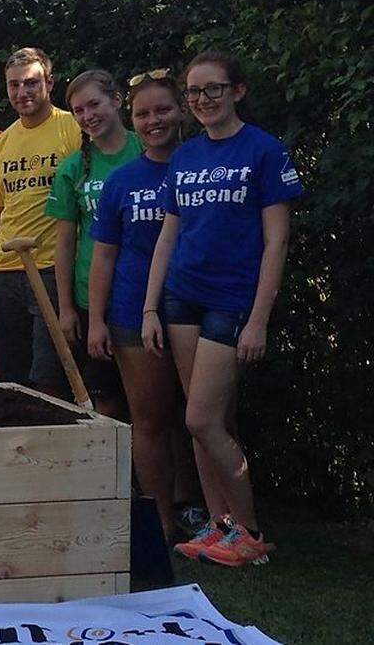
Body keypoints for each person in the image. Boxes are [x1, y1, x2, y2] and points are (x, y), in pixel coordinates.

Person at [142, 51, 301, 566]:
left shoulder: (264, 151)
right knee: (201, 422)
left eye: (213, 89)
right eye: (194, 93)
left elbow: (276, 243)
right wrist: (149, 308)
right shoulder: (185, 156)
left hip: (232, 300)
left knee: (203, 419)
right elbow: (168, 234)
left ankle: (251, 535)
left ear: (238, 90)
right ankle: (220, 527)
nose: (203, 100)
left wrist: (259, 319)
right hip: (181, 298)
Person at [86, 68, 187, 540]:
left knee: (201, 418)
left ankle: (206, 514)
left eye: (162, 109)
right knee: (148, 420)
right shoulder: (122, 181)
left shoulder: (201, 167)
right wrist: (97, 320)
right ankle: (161, 521)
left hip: (195, 308)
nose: (153, 120)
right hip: (130, 312)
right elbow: (103, 256)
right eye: (143, 113)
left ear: (181, 111)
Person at [0, 47, 82, 397]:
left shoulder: (72, 128)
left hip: (52, 269)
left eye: (32, 83)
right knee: (13, 378)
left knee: (50, 376)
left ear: (49, 83)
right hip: (6, 271)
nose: (23, 93)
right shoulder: (1, 144)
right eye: (14, 85)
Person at [47, 70, 143, 417]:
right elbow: (65, 242)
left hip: (146, 295)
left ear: (116, 101)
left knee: (157, 405)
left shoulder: (145, 149)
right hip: (92, 300)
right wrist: (66, 307)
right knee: (106, 400)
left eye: (94, 104)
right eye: (78, 110)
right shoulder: (73, 168)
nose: (88, 116)